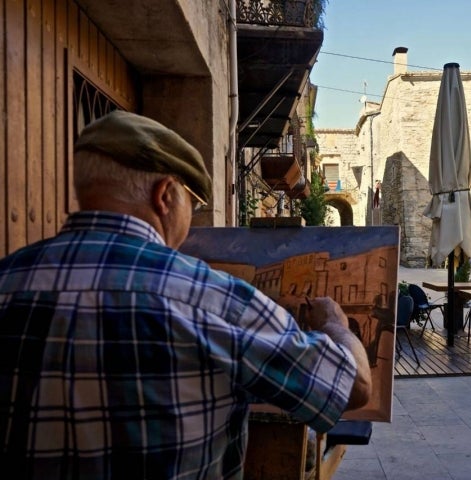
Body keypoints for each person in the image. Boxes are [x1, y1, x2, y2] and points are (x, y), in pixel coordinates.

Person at [0, 111, 371, 478]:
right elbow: (353, 386)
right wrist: (336, 326)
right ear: (165, 195)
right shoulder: (216, 301)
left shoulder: (7, 280)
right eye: (192, 205)